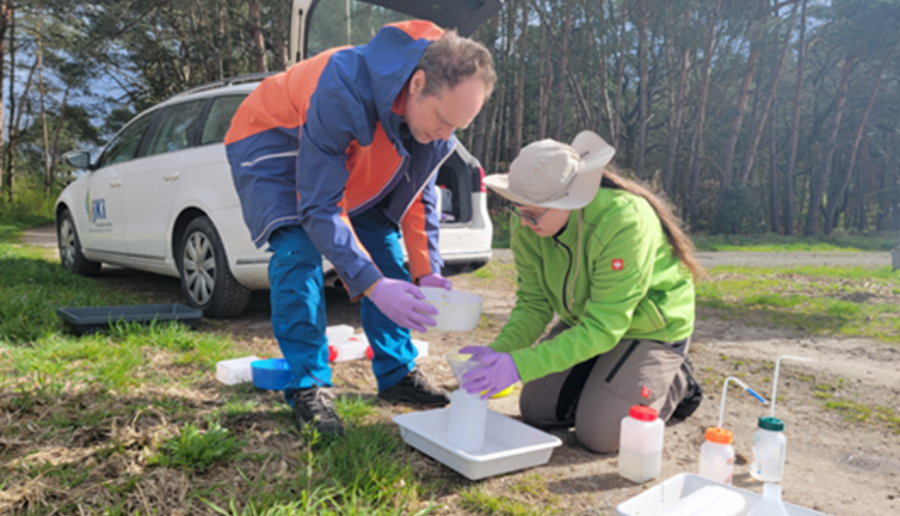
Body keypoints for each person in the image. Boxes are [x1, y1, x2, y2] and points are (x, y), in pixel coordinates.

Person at [224, 22, 496, 436]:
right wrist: (371, 285)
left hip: (340, 150)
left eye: (457, 126)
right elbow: (318, 205)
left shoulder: (436, 125)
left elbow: (415, 195)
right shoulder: (343, 89)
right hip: (273, 135)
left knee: (384, 251)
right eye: (442, 119)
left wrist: (429, 271)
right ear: (417, 83)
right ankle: (308, 384)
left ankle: (396, 372)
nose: (447, 135)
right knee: (297, 248)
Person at [460, 131, 705, 453]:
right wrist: (501, 351)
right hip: (587, 322)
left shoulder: (621, 220)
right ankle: (606, 379)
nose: (523, 221)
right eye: (517, 208)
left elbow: (606, 326)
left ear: (568, 201)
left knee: (602, 435)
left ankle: (678, 381)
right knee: (537, 409)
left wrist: (519, 366)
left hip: (648, 328)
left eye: (533, 212)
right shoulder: (528, 224)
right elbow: (533, 304)